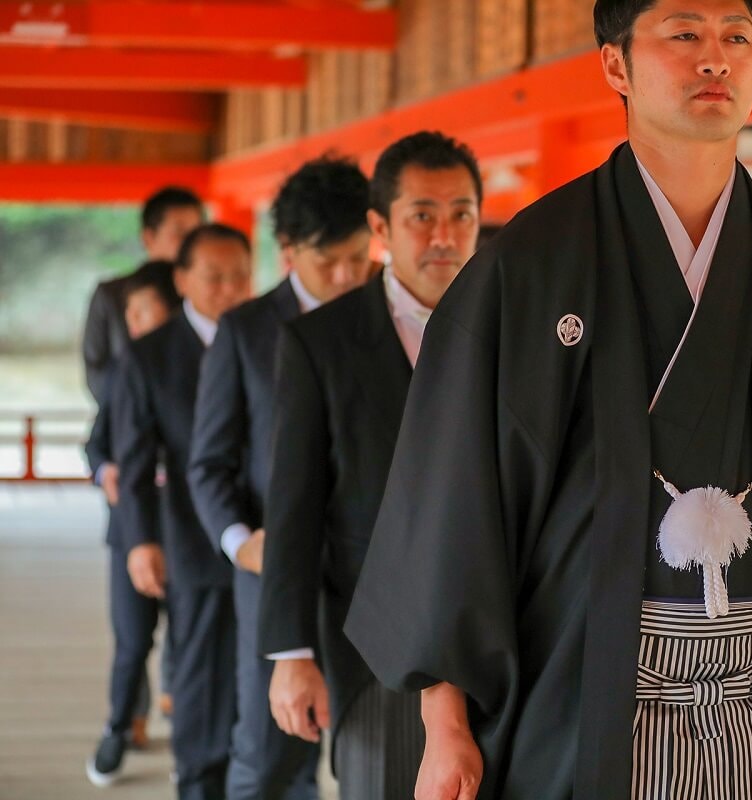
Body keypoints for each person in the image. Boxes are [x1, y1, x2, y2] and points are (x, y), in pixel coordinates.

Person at [343, 2, 752, 798]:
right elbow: (451, 500)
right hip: (580, 706)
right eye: (684, 34)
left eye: (738, 37)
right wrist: (445, 725)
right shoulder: (528, 265)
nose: (716, 59)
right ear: (615, 66)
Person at [259, 131, 482, 800]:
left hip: (504, 638)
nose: (444, 234)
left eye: (461, 213)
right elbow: (294, 507)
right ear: (381, 225)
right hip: (375, 641)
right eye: (422, 215)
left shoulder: (522, 327)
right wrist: (291, 654)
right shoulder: (320, 344)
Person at [188, 156, 372, 800]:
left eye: (358, 256)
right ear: (289, 251)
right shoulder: (244, 332)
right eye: (330, 263)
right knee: (268, 760)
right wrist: (240, 542)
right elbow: (208, 463)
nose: (350, 276)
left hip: (372, 579)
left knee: (373, 755)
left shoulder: (394, 314)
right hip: (275, 579)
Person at [111, 224, 254, 800]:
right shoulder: (150, 356)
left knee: (263, 667)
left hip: (266, 534)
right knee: (199, 673)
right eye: (214, 277)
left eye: (240, 275)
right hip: (191, 538)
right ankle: (198, 782)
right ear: (182, 279)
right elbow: (135, 461)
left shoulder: (272, 335)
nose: (229, 289)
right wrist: (141, 541)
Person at [84, 261, 180, 786]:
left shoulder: (203, 365)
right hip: (131, 529)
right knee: (131, 639)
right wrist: (106, 469)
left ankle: (191, 737)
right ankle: (118, 728)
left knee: (190, 640)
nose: (137, 320)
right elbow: (95, 443)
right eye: (132, 312)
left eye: (147, 309)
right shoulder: (123, 371)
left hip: (186, 529)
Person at [82, 186, 202, 401]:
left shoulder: (201, 294)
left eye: (196, 234)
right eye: (180, 234)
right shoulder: (110, 295)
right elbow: (96, 374)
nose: (190, 244)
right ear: (148, 238)